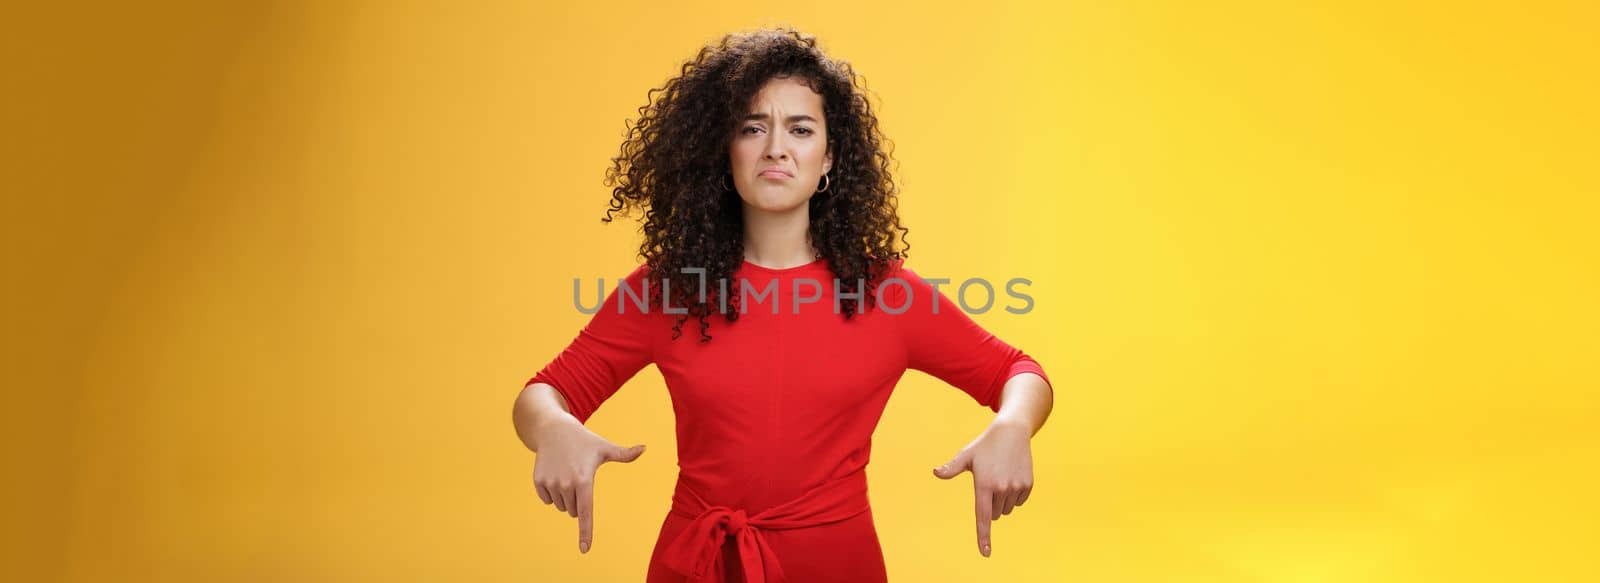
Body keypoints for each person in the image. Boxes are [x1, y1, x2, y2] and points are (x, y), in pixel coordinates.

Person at [511, 28, 1054, 583]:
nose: (776, 147)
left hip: (838, 566)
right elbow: (543, 393)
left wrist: (1012, 425)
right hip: (697, 564)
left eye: (800, 129)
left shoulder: (886, 293)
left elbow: (1019, 372)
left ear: (829, 160)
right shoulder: (667, 289)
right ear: (724, 153)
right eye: (753, 128)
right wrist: (553, 426)